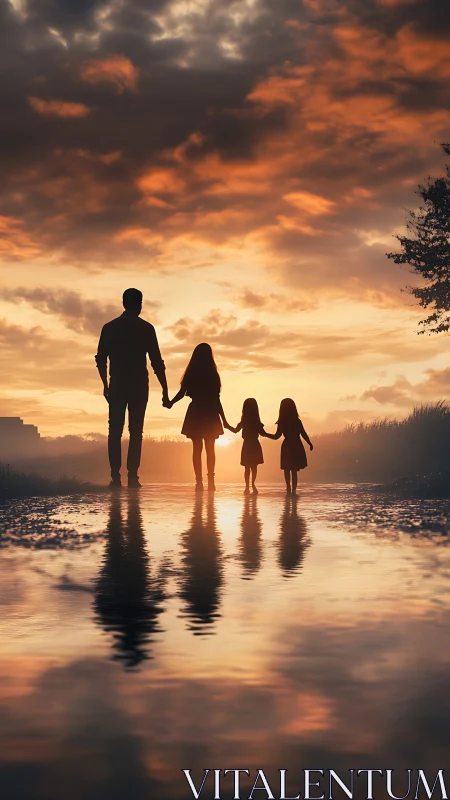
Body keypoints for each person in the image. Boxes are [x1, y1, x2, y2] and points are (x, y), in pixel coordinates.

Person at [95, 288, 170, 489]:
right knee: (136, 432)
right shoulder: (146, 328)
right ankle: (133, 476)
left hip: (117, 384)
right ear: (138, 304)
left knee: (114, 431)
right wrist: (164, 389)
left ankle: (115, 477)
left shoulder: (109, 328)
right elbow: (156, 361)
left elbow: (100, 359)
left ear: (123, 303)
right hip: (138, 386)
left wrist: (105, 384)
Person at [168, 342, 230, 492]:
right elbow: (216, 399)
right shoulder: (213, 375)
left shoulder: (191, 373)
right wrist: (224, 420)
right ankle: (211, 481)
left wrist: (171, 402)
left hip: (196, 412)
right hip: (210, 413)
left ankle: (199, 482)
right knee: (210, 449)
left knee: (197, 449)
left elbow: (182, 393)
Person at [264, 398, 313, 495]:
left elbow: (276, 436)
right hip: (296, 445)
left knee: (287, 469)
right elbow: (303, 433)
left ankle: (288, 488)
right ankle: (293, 490)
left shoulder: (282, 422)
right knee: (294, 470)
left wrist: (266, 434)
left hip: (287, 446)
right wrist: (309, 443)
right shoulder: (297, 421)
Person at [228, 398, 267, 494]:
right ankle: (252, 485)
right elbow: (263, 433)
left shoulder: (244, 421)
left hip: (247, 445)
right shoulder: (256, 422)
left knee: (247, 468)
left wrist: (226, 425)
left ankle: (247, 487)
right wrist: (273, 436)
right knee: (253, 467)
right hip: (254, 444)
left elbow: (235, 430)